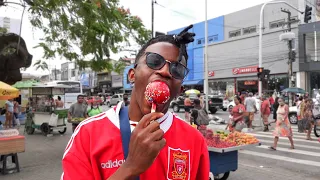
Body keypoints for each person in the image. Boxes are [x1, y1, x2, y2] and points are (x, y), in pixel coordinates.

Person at [61, 25, 209, 179]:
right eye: (154, 60)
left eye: (177, 69)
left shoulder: (194, 140)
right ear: (132, 75)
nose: (165, 72)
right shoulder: (88, 134)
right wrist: (130, 166)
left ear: (180, 90)